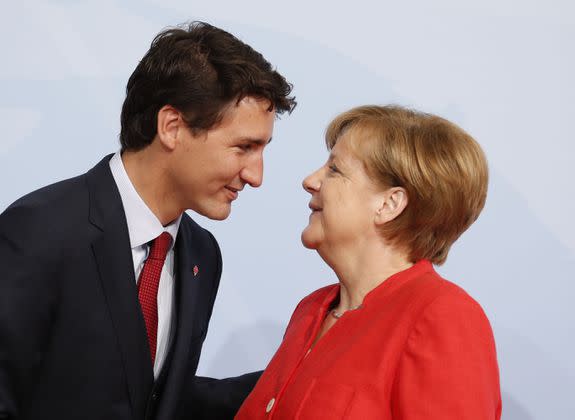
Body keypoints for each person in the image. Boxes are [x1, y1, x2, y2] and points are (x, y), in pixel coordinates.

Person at [0, 21, 295, 420]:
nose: (256, 176)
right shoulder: (39, 231)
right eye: (244, 147)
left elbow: (150, 394)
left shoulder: (202, 256)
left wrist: (299, 377)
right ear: (172, 127)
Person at [236, 105, 501, 419]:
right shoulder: (311, 310)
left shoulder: (443, 316)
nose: (310, 181)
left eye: (335, 170)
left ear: (389, 204)